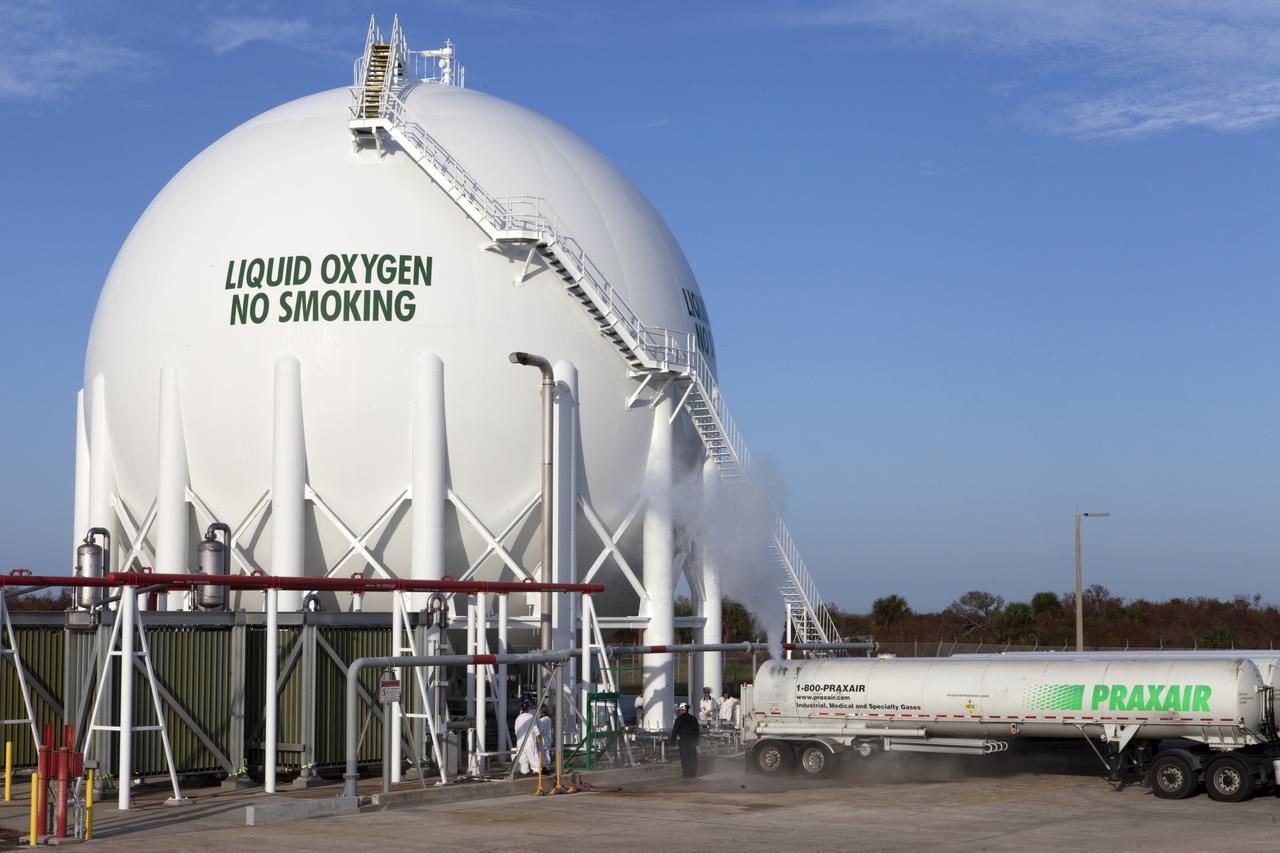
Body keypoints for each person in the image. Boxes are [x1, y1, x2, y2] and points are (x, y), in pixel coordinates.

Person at [669, 702, 700, 779]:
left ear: (683, 710)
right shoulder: (693, 718)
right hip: (692, 741)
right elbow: (697, 731)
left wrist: (672, 741)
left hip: (683, 741)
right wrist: (696, 742)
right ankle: (693, 774)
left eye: (680, 710)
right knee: (692, 757)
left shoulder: (679, 719)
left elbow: (675, 731)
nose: (679, 711)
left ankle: (686, 774)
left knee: (685, 758)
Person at [514, 699, 541, 775]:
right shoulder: (531, 716)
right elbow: (536, 730)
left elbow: (516, 731)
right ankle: (536, 771)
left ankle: (524, 771)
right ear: (528, 708)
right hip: (529, 740)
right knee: (533, 756)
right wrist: (539, 740)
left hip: (520, 741)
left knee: (522, 758)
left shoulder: (518, 718)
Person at [537, 704, 554, 771]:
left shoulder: (542, 720)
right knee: (547, 754)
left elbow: (540, 731)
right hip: (548, 739)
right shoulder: (549, 719)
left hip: (543, 740)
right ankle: (547, 767)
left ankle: (543, 768)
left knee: (542, 755)